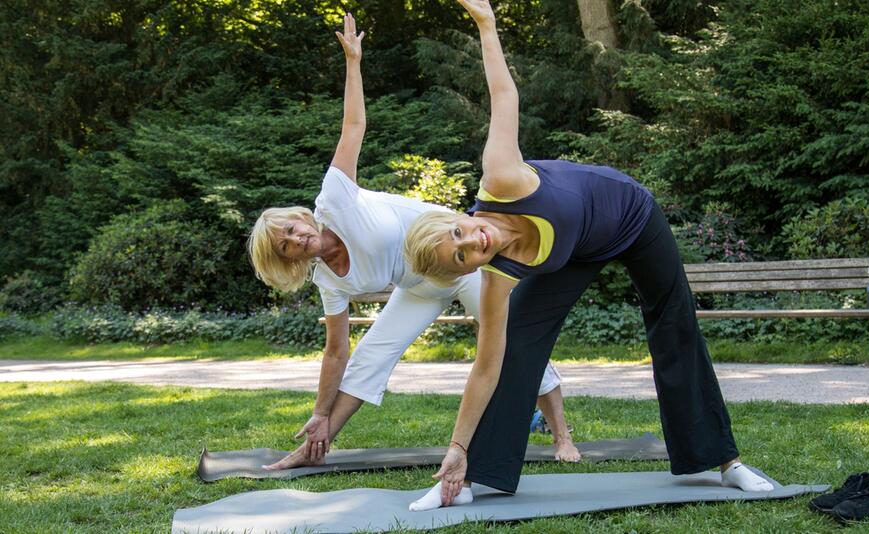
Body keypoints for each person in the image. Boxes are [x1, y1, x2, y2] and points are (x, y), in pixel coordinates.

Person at [403, 0, 775, 512]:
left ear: (460, 215)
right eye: (464, 256)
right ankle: (468, 478)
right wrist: (456, 448)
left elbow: (502, 93)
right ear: (468, 269)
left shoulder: (501, 179)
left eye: (460, 233)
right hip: (575, 250)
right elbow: (484, 369)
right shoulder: (497, 278)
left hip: (630, 214)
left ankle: (725, 463)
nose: (476, 242)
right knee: (515, 347)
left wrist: (487, 24)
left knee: (673, 322)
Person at [246, 12, 580, 470]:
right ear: (287, 261)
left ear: (300, 217)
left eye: (291, 228)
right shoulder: (329, 280)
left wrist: (353, 64)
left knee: (504, 336)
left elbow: (353, 128)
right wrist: (320, 411)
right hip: (420, 284)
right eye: (286, 245)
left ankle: (562, 435)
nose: (297, 238)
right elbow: (336, 350)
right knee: (370, 356)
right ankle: (316, 444)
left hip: (460, 259)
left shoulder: (335, 198)